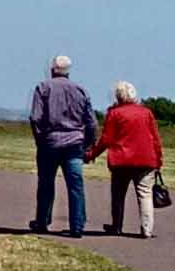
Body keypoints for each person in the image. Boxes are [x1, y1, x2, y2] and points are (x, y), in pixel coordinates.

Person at [28, 55, 94, 234]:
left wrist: (40, 140)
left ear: (52, 70)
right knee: (75, 185)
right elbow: (91, 122)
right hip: (74, 143)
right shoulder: (81, 90)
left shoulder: (43, 87)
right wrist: (87, 144)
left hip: (50, 143)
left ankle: (42, 221)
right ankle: (77, 226)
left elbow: (35, 118)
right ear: (68, 72)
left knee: (46, 184)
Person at [91, 79, 163, 237]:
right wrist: (158, 159)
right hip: (146, 160)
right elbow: (155, 138)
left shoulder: (114, 113)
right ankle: (147, 229)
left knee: (118, 195)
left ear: (118, 96)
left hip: (121, 160)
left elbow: (106, 139)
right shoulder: (146, 113)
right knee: (145, 194)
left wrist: (91, 154)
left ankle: (116, 226)